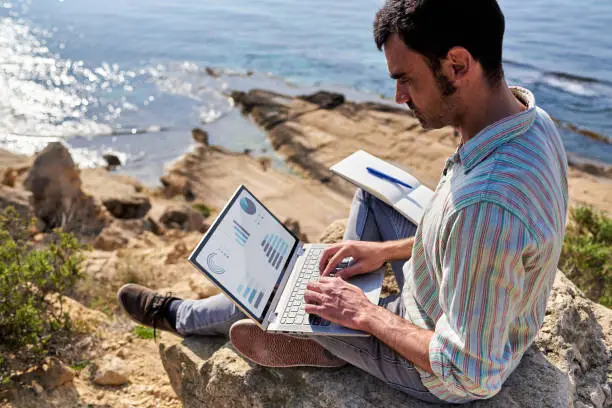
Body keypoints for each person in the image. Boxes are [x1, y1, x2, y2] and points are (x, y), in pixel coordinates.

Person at [117, 0, 568, 403]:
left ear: (457, 64)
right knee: (368, 204)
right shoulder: (530, 120)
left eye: (406, 79)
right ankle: (327, 329)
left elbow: (472, 372)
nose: (399, 97)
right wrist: (382, 251)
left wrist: (364, 314)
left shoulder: (486, 206)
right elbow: (466, 243)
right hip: (460, 290)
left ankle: (182, 316)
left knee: (285, 288)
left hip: (437, 363)